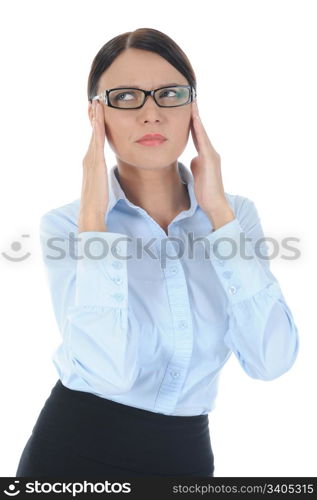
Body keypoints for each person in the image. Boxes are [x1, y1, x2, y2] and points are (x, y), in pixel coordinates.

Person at [16, 27, 299, 478]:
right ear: (96, 114)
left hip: (185, 457)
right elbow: (107, 373)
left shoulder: (234, 216)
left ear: (192, 107)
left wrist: (219, 216)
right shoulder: (67, 225)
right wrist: (95, 224)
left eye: (169, 94)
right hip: (73, 452)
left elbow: (272, 360)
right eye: (126, 97)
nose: (151, 114)